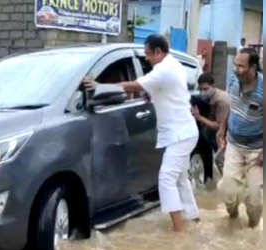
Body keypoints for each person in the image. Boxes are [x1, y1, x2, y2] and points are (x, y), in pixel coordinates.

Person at [84, 35, 199, 232]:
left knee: (166, 179)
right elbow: (157, 89)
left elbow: (135, 85)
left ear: (158, 52)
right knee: (180, 178)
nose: (146, 58)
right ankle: (193, 219)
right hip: (181, 132)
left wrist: (100, 86)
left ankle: (179, 230)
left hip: (181, 134)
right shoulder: (173, 65)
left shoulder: (165, 69)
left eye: (147, 54)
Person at [216, 48, 263, 228]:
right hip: (234, 144)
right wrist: (222, 127)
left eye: (241, 66)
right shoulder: (234, 81)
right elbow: (232, 106)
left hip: (257, 150)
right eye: (235, 65)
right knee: (227, 189)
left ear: (253, 67)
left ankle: (252, 229)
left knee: (255, 199)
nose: (236, 69)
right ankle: (233, 218)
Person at [191, 73, 231, 176]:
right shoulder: (208, 97)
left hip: (226, 135)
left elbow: (219, 126)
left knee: (223, 162)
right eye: (200, 89)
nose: (202, 92)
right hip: (214, 134)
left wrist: (199, 117)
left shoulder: (221, 101)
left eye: (205, 89)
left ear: (213, 86)